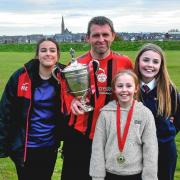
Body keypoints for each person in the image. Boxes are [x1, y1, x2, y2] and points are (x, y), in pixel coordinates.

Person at [61, 16, 133, 180]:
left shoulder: (125, 62)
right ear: (88, 38)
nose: (101, 39)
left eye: (105, 34)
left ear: (113, 36)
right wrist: (71, 100)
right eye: (95, 35)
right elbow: (64, 91)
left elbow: (136, 93)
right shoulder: (75, 66)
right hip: (80, 137)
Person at [0, 38, 66, 180]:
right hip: (25, 145)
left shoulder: (65, 76)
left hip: (49, 145)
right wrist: (3, 144)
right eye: (43, 50)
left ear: (57, 55)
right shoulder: (21, 76)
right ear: (37, 55)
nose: (48, 54)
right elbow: (5, 111)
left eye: (52, 50)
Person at [89, 69, 158, 180]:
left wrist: (150, 177)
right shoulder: (106, 113)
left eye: (129, 86)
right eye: (120, 86)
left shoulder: (145, 114)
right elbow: (98, 147)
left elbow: (151, 149)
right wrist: (97, 176)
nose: (124, 90)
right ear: (114, 89)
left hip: (136, 174)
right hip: (110, 173)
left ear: (136, 88)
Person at [134, 43, 180, 180]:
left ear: (161, 66)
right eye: (146, 60)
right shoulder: (129, 87)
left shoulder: (168, 89)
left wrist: (167, 131)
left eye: (155, 62)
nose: (150, 65)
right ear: (138, 62)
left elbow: (177, 118)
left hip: (164, 151)